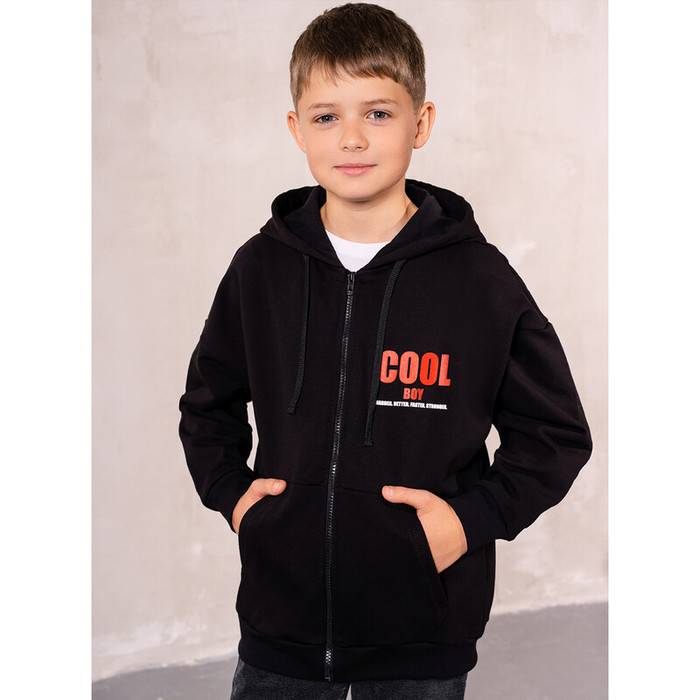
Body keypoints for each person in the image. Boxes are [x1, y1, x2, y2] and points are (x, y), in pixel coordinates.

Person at [178, 3, 592, 698]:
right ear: (296, 129)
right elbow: (206, 405)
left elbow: (556, 435)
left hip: (422, 638)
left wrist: (468, 521)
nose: (352, 138)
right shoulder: (261, 268)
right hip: (282, 626)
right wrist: (236, 498)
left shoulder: (478, 279)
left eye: (377, 113)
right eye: (325, 116)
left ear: (420, 123)